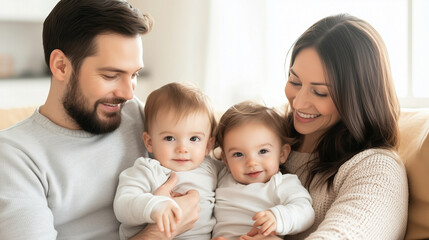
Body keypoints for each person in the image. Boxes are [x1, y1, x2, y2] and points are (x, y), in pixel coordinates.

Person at [0, 1, 199, 239]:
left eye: (134, 74)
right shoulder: (14, 156)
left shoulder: (137, 115)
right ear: (61, 66)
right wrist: (160, 232)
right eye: (111, 75)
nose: (128, 93)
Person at [240, 14, 408, 240]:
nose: (297, 103)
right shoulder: (266, 136)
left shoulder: (376, 169)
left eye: (320, 92)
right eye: (295, 81)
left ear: (357, 98)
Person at [114, 82, 224, 240]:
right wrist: (155, 206)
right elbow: (123, 206)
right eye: (169, 138)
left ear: (208, 145)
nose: (182, 148)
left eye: (194, 138)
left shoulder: (212, 168)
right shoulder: (148, 170)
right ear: (149, 142)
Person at [212, 101, 314, 240]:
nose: (251, 163)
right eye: (238, 154)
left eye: (263, 151)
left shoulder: (281, 183)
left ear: (282, 154)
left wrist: (278, 217)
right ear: (225, 160)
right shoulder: (221, 176)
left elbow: (305, 212)